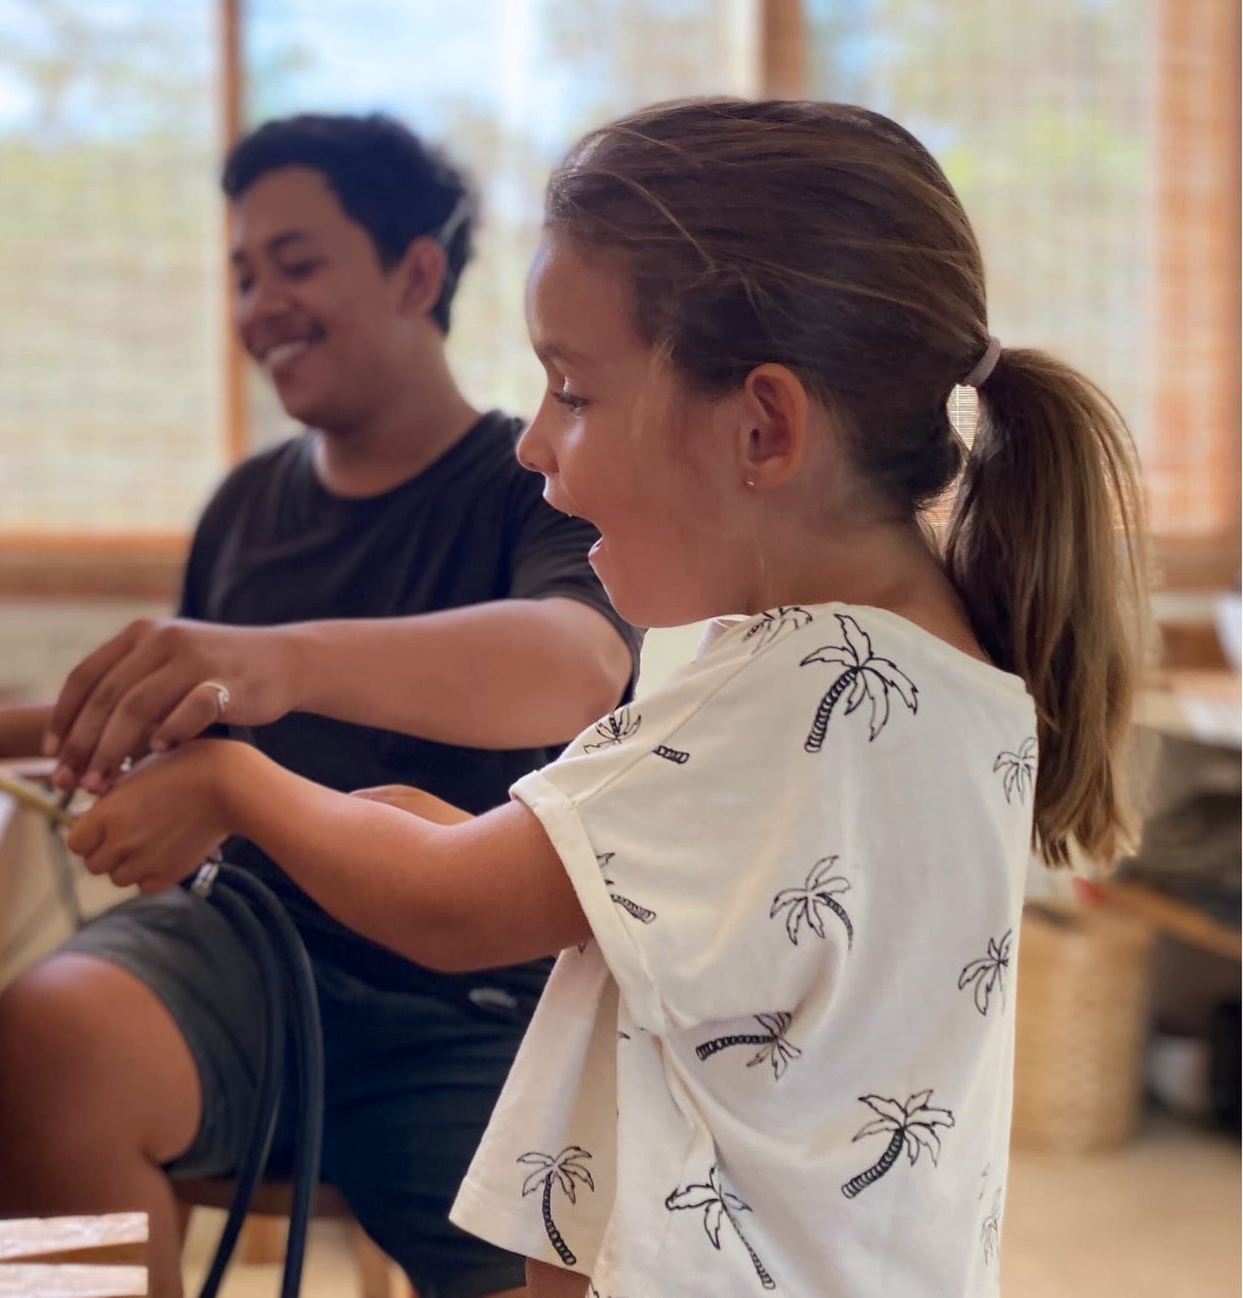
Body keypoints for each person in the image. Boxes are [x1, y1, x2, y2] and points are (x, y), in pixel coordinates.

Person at [64, 98, 1151, 1298]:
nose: (535, 442)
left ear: (761, 424)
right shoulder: (928, 670)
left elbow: (454, 907)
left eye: (572, 390)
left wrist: (234, 781)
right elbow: (677, 930)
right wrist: (439, 826)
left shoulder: (803, 694)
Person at [0, 113, 639, 1298]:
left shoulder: (530, 477)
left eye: (297, 262)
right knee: (46, 1041)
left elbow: (576, 663)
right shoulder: (244, 504)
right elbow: (185, 705)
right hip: (242, 949)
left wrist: (281, 659)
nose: (261, 302)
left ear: (417, 270)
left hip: (481, 1001)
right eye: (242, 274)